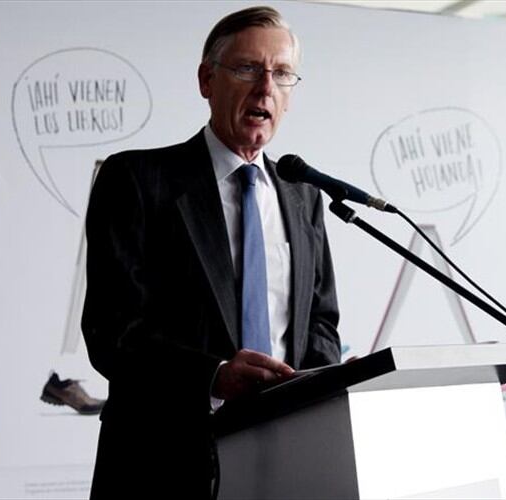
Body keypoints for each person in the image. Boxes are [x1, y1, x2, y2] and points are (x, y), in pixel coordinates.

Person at [81, 6, 341, 498]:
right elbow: (112, 332)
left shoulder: (302, 195)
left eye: (282, 74)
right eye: (247, 68)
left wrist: (314, 383)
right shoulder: (137, 180)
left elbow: (321, 323)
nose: (266, 87)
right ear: (207, 80)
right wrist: (215, 377)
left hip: (289, 457)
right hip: (160, 465)